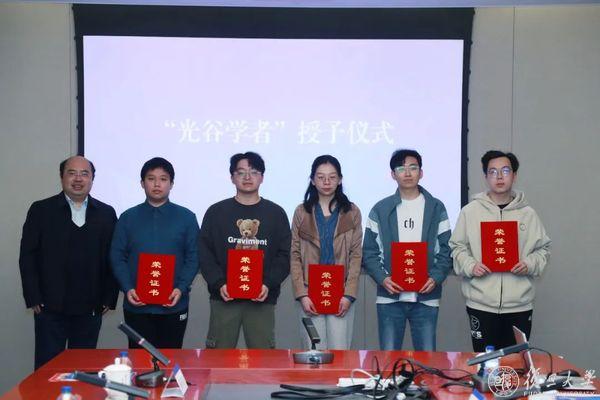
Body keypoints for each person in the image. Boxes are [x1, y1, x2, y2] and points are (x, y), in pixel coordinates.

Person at [19, 156, 118, 369]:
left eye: (84, 174)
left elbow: (113, 257)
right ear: (62, 177)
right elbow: (28, 255)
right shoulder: (41, 210)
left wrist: (109, 297)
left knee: (82, 368)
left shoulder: (106, 213)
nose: (78, 179)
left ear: (92, 179)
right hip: (49, 307)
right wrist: (33, 296)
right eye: (72, 173)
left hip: (90, 307)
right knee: (47, 369)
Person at [450, 150, 551, 352]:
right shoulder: (470, 211)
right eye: (493, 171)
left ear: (514, 175)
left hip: (519, 305)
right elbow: (456, 247)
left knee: (516, 364)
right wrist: (471, 265)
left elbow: (543, 249)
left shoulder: (528, 214)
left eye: (505, 171)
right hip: (481, 304)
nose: (499, 177)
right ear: (486, 176)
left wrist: (529, 264)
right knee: (486, 362)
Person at [199, 151, 290, 349]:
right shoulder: (216, 212)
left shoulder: (276, 213)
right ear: (232, 177)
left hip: (262, 298)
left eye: (254, 172)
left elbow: (285, 256)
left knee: (262, 357)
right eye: (241, 172)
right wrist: (219, 283)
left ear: (262, 177)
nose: (247, 177)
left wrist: (268, 284)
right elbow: (205, 253)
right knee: (219, 357)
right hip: (224, 297)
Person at [363, 149, 452, 351]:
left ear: (421, 172)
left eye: (413, 167)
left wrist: (435, 278)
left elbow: (446, 249)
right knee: (389, 359)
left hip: (426, 298)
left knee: (427, 358)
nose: (408, 173)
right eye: (401, 169)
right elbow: (369, 252)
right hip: (389, 298)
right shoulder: (380, 209)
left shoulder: (436, 207)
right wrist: (383, 279)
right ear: (393, 174)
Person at [110, 157, 199, 349]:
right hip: (137, 304)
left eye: (163, 179)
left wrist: (181, 288)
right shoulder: (127, 217)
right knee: (139, 359)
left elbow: (193, 257)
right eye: (151, 179)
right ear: (142, 183)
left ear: (171, 184)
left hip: (174, 303)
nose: (157, 184)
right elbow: (117, 256)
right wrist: (127, 288)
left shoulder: (187, 217)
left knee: (170, 357)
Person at [290, 155, 362, 350]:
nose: (327, 182)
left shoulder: (352, 211)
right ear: (313, 180)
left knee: (339, 351)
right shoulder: (301, 212)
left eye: (332, 177)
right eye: (321, 177)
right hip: (310, 292)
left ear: (340, 179)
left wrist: (349, 294)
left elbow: (356, 256)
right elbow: (294, 255)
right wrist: (302, 294)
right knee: (314, 352)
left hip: (341, 293)